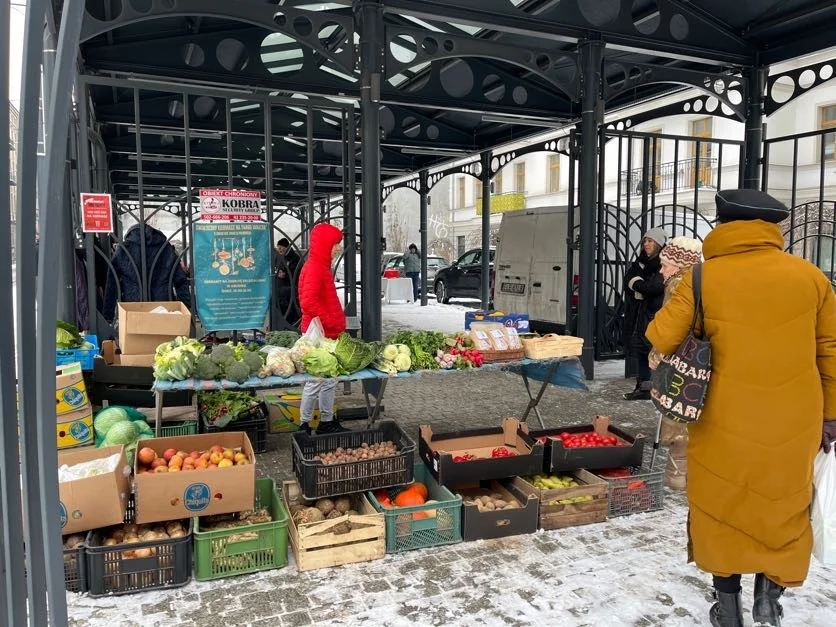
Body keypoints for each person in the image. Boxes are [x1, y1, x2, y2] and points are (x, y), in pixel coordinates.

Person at [646, 189, 836, 627]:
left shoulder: (702, 278)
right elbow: (831, 352)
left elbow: (660, 337)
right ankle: (770, 597)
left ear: (723, 225)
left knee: (721, 504)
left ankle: (727, 608)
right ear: (773, 228)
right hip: (795, 416)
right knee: (783, 502)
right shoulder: (810, 277)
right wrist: (831, 415)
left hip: (720, 415)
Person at [647, 236, 703, 491]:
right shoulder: (707, 281)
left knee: (677, 414)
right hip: (701, 360)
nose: (661, 270)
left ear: (680, 264)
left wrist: (656, 356)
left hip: (679, 360)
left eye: (665, 264)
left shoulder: (679, 287)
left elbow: (669, 328)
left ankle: (677, 475)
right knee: (695, 414)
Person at [297, 223, 347, 435]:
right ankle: (304, 425)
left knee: (329, 381)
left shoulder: (319, 265)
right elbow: (308, 302)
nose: (338, 248)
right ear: (326, 244)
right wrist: (331, 321)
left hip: (325, 333)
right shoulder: (316, 267)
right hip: (319, 333)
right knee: (316, 381)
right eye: (336, 244)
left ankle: (327, 421)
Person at [102, 224, 191, 323]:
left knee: (135, 335)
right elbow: (180, 281)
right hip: (163, 305)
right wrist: (188, 309)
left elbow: (112, 284)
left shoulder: (124, 249)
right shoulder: (166, 248)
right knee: (164, 335)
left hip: (133, 306)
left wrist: (108, 317)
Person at [622, 227, 667, 400]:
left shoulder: (663, 262)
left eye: (651, 241)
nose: (647, 244)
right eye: (645, 241)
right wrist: (637, 285)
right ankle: (642, 388)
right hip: (639, 314)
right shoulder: (640, 262)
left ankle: (656, 388)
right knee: (641, 351)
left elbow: (654, 287)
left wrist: (637, 285)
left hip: (654, 313)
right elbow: (628, 281)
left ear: (659, 244)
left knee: (653, 352)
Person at [273, 237, 301, 324]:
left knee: (290, 312)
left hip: (290, 290)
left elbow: (297, 273)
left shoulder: (295, 258)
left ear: (287, 247)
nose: (279, 250)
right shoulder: (279, 256)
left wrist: (285, 275)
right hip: (280, 290)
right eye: (278, 248)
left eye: (281, 248)